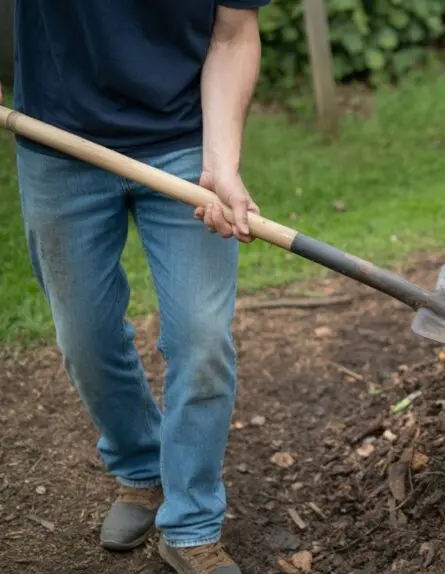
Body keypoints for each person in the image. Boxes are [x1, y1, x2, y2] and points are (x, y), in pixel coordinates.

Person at [4, 1, 270, 572]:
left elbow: (233, 34)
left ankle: (193, 524)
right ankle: (140, 466)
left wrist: (222, 162)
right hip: (58, 143)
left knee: (201, 340)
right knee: (85, 339)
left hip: (185, 142)